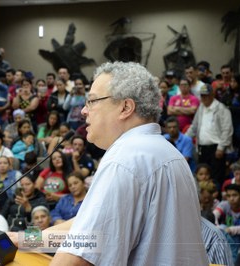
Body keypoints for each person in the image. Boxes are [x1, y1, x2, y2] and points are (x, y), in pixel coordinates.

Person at [41, 62, 208, 265]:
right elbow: (90, 228)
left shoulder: (123, 160)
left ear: (125, 107)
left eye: (92, 101)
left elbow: (77, 257)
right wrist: (25, 240)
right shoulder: (170, 154)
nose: (84, 110)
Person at [185, 83, 233, 186]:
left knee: (216, 176)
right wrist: (184, 139)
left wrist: (221, 147)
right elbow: (194, 126)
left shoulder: (221, 108)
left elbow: (227, 129)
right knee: (202, 177)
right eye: (202, 95)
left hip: (216, 148)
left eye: (206, 95)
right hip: (202, 148)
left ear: (212, 95)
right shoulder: (201, 107)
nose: (204, 97)